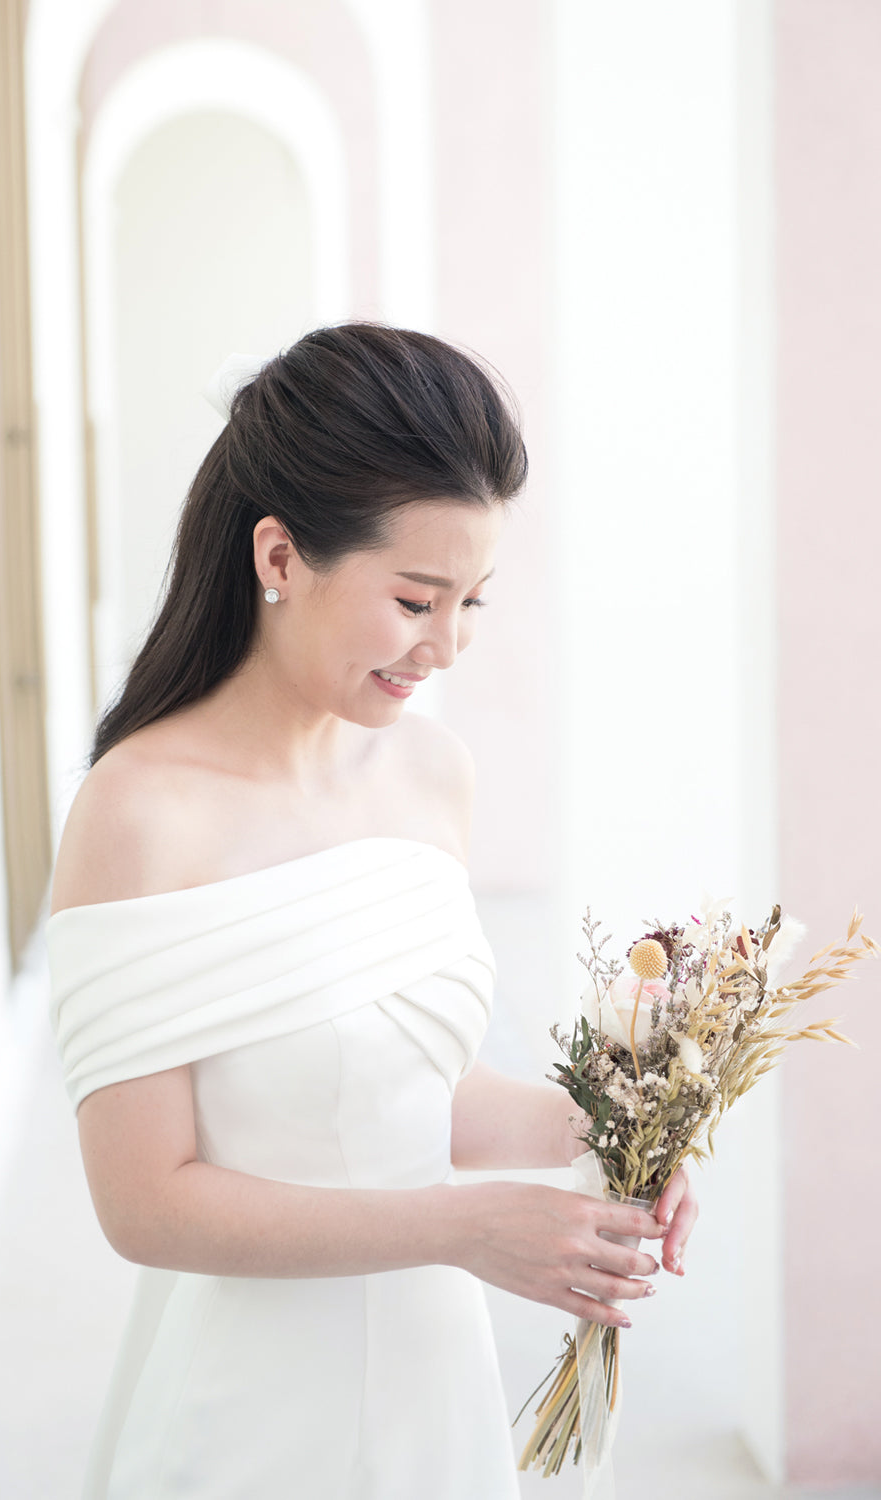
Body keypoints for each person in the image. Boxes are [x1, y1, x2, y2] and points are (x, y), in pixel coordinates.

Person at [47, 322, 697, 1499]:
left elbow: (410, 1098)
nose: (443, 646)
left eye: (473, 604)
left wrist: (624, 1133)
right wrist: (460, 1229)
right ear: (280, 557)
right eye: (413, 599)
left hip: (430, 1379)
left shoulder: (428, 773)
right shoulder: (138, 814)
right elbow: (145, 1205)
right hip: (252, 1411)